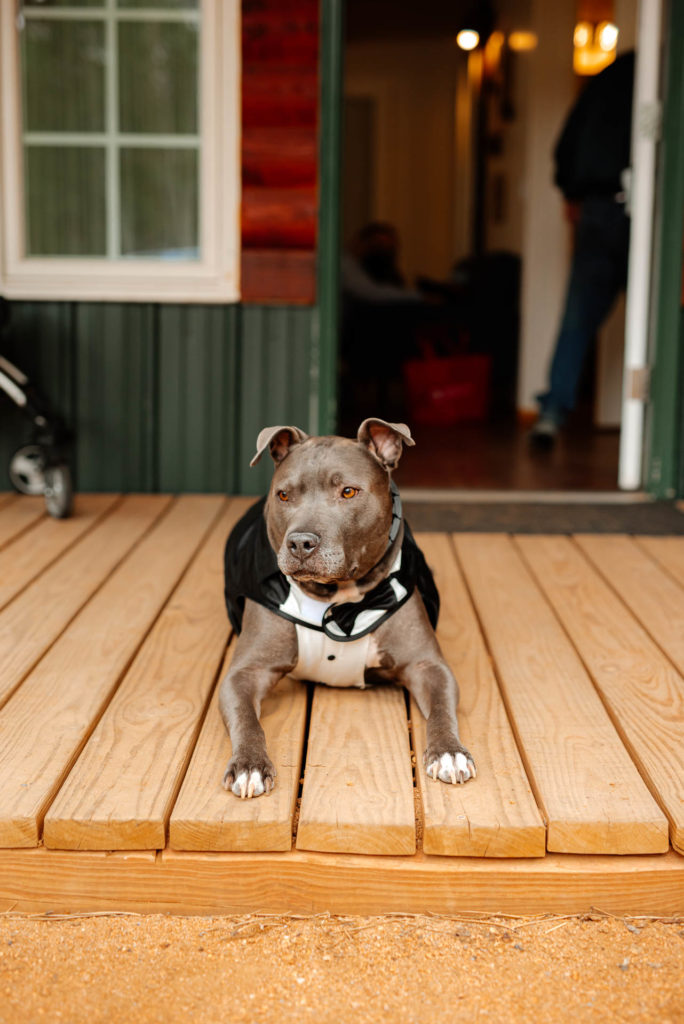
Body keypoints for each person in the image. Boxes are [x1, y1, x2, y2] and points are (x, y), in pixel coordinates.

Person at [530, 51, 635, 447]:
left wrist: (574, 192)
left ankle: (550, 415)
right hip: (642, 208)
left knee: (577, 319)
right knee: (662, 320)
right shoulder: (664, 74)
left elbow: (565, 145)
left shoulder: (605, 79)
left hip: (595, 208)